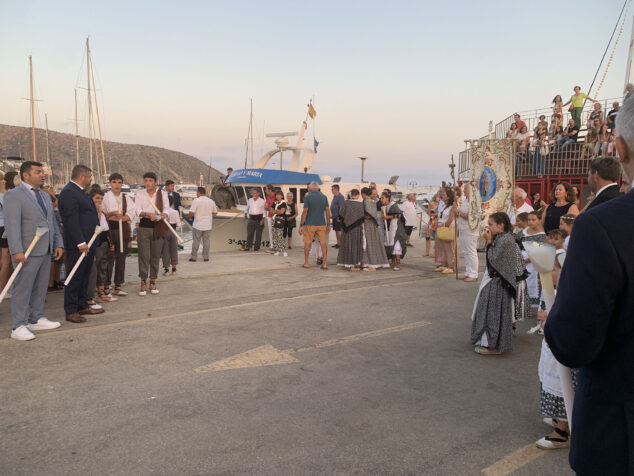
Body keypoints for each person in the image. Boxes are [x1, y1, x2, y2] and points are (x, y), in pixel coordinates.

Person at [544, 94, 634, 474]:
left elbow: (573, 344)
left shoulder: (603, 226)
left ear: (620, 149)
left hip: (619, 439)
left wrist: (560, 301)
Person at [4, 161, 64, 340]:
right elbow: (12, 225)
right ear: (26, 175)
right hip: (26, 251)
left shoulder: (45, 196)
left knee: (40, 287)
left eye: (42, 171)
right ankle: (18, 325)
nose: (43, 175)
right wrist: (16, 250)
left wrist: (57, 243)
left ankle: (36, 318)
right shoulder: (14, 196)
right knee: (22, 288)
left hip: (45, 249)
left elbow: (52, 222)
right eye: (38, 172)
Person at [470, 212, 528, 355]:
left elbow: (493, 261)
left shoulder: (506, 239)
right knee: (489, 310)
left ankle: (492, 345)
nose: (487, 227)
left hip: (498, 283)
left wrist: (489, 242)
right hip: (496, 281)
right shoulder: (503, 238)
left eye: (491, 224)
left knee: (493, 312)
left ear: (500, 225)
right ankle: (489, 342)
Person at [58, 164, 103, 323]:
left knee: (84, 275)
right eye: (90, 176)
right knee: (75, 276)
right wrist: (80, 242)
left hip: (88, 243)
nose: (91, 180)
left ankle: (82, 304)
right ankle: (70, 310)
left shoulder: (80, 192)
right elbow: (71, 220)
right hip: (79, 244)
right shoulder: (69, 192)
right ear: (83, 176)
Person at [134, 172, 169, 296]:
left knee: (155, 256)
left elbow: (166, 209)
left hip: (158, 227)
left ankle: (153, 281)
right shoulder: (140, 193)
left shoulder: (162, 194)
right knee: (144, 255)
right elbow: (137, 210)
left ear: (155, 182)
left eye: (150, 180)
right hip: (144, 227)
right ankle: (143, 281)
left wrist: (163, 215)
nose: (147, 183)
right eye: (146, 181)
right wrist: (147, 214)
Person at [103, 173, 135, 296]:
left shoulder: (126, 198)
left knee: (121, 258)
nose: (117, 185)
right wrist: (113, 215)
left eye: (119, 182)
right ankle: (106, 285)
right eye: (114, 182)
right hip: (110, 230)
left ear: (122, 184)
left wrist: (124, 217)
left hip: (123, 230)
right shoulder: (105, 197)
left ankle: (118, 285)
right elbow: (103, 214)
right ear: (110, 183)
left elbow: (131, 213)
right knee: (110, 257)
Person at [86, 185, 116, 303]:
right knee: (94, 270)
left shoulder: (103, 213)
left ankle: (101, 292)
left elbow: (106, 229)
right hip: (95, 244)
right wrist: (97, 213)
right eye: (97, 198)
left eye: (101, 199)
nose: (99, 201)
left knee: (103, 268)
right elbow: (93, 227)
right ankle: (89, 296)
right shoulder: (89, 213)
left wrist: (110, 244)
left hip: (104, 243)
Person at [299, 182, 329, 269]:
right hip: (321, 224)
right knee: (323, 243)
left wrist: (301, 225)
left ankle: (306, 263)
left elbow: (305, 212)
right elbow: (327, 211)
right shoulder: (324, 197)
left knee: (307, 243)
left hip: (310, 224)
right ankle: (324, 264)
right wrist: (328, 224)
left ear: (310, 189)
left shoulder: (308, 197)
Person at [520, 211, 547, 309]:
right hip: (522, 258)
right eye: (529, 220)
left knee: (533, 284)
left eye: (533, 220)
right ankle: (524, 305)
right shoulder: (525, 231)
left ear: (540, 221)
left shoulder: (541, 235)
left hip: (533, 263)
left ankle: (535, 306)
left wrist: (525, 260)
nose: (531, 222)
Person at [360, 187, 389, 270]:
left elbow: (368, 216)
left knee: (367, 244)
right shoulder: (373, 202)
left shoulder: (365, 202)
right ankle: (375, 261)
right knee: (375, 244)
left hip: (367, 225)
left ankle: (370, 263)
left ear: (363, 194)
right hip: (374, 226)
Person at [187, 187, 218, 262]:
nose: (196, 194)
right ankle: (206, 257)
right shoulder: (211, 201)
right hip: (208, 225)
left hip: (198, 224)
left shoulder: (196, 201)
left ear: (199, 192)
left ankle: (194, 257)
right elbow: (215, 213)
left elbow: (191, 212)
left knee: (196, 241)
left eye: (196, 192)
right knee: (206, 241)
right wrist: (208, 216)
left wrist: (189, 217)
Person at [336, 189, 364, 271]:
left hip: (346, 228)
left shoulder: (346, 203)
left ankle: (346, 264)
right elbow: (362, 217)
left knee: (346, 245)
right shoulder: (360, 204)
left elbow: (340, 215)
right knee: (354, 246)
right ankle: (352, 265)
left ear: (351, 195)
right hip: (356, 228)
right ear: (358, 195)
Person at [456, 183, 479, 282]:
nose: (464, 191)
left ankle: (474, 274)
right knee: (465, 252)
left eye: (465, 189)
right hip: (462, 229)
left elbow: (470, 217)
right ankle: (468, 272)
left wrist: (458, 212)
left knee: (471, 251)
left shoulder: (475, 202)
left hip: (470, 230)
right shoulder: (464, 200)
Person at [434, 187, 456, 275]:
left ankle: (450, 266)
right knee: (441, 247)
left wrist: (442, 225)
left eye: (444, 195)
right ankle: (443, 264)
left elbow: (450, 219)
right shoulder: (443, 205)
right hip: (440, 227)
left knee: (449, 248)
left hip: (447, 227)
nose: (442, 196)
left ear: (449, 196)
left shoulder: (452, 206)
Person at [162, 180, 182, 275]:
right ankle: (174, 268)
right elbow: (179, 224)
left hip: (164, 228)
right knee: (174, 248)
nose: (172, 188)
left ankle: (166, 269)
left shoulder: (176, 195)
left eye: (173, 186)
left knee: (165, 249)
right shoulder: (161, 194)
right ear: (166, 186)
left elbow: (179, 205)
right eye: (171, 186)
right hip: (173, 228)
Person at [383, 201, 407, 271]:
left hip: (397, 229)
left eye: (383, 198)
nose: (382, 199)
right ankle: (393, 263)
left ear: (387, 198)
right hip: (392, 228)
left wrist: (387, 217)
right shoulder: (386, 206)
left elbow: (398, 215)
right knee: (392, 245)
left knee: (397, 246)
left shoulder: (394, 205)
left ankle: (398, 264)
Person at [0, 172, 12, 296]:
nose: (4, 182)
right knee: (6, 262)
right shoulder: (4, 196)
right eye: (2, 180)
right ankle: (3, 290)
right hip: (4, 229)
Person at [269, 191, 288, 257]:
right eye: (276, 195)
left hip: (280, 220)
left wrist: (275, 211)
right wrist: (276, 211)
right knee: (274, 236)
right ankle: (277, 250)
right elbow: (271, 211)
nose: (277, 196)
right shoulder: (274, 203)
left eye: (279, 195)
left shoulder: (284, 203)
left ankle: (284, 250)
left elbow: (282, 212)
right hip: (273, 220)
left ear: (282, 196)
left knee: (280, 235)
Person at [330, 184, 344, 249]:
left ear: (336, 189)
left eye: (332, 189)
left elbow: (341, 207)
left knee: (339, 231)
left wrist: (339, 216)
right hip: (334, 217)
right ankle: (338, 243)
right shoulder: (335, 196)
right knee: (336, 230)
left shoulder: (340, 197)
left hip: (338, 217)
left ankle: (341, 244)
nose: (331, 190)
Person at [264, 184, 276, 250]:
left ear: (270, 190)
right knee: (270, 232)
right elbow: (266, 207)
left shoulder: (276, 196)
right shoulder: (268, 197)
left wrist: (269, 208)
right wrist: (270, 208)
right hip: (269, 216)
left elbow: (274, 209)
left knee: (276, 231)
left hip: (276, 217)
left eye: (266, 189)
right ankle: (272, 246)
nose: (265, 191)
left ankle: (276, 246)